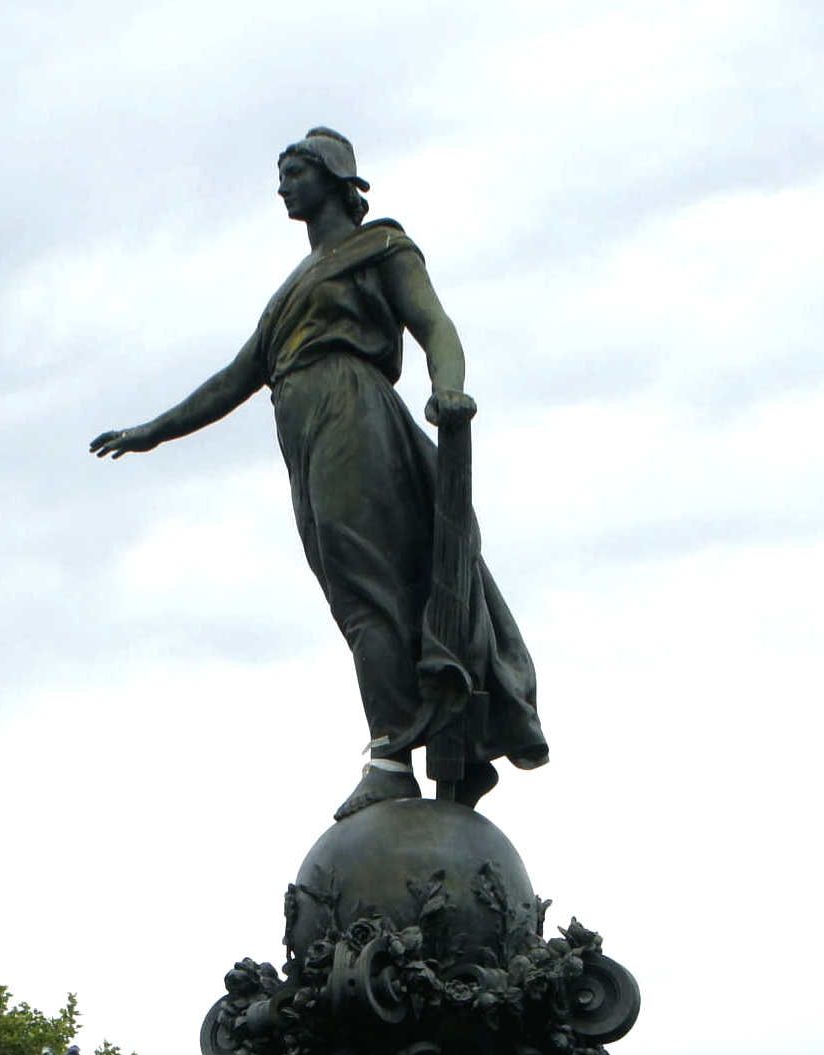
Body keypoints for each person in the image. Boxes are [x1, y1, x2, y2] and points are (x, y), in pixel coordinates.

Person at [91, 127, 547, 821]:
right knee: (350, 594)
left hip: (352, 411)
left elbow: (436, 326)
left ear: (335, 176)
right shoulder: (290, 292)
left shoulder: (381, 247)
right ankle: (395, 748)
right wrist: (151, 431)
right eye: (282, 173)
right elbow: (234, 379)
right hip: (302, 432)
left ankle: (392, 757)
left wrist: (449, 392)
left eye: (295, 170)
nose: (283, 186)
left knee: (369, 588)